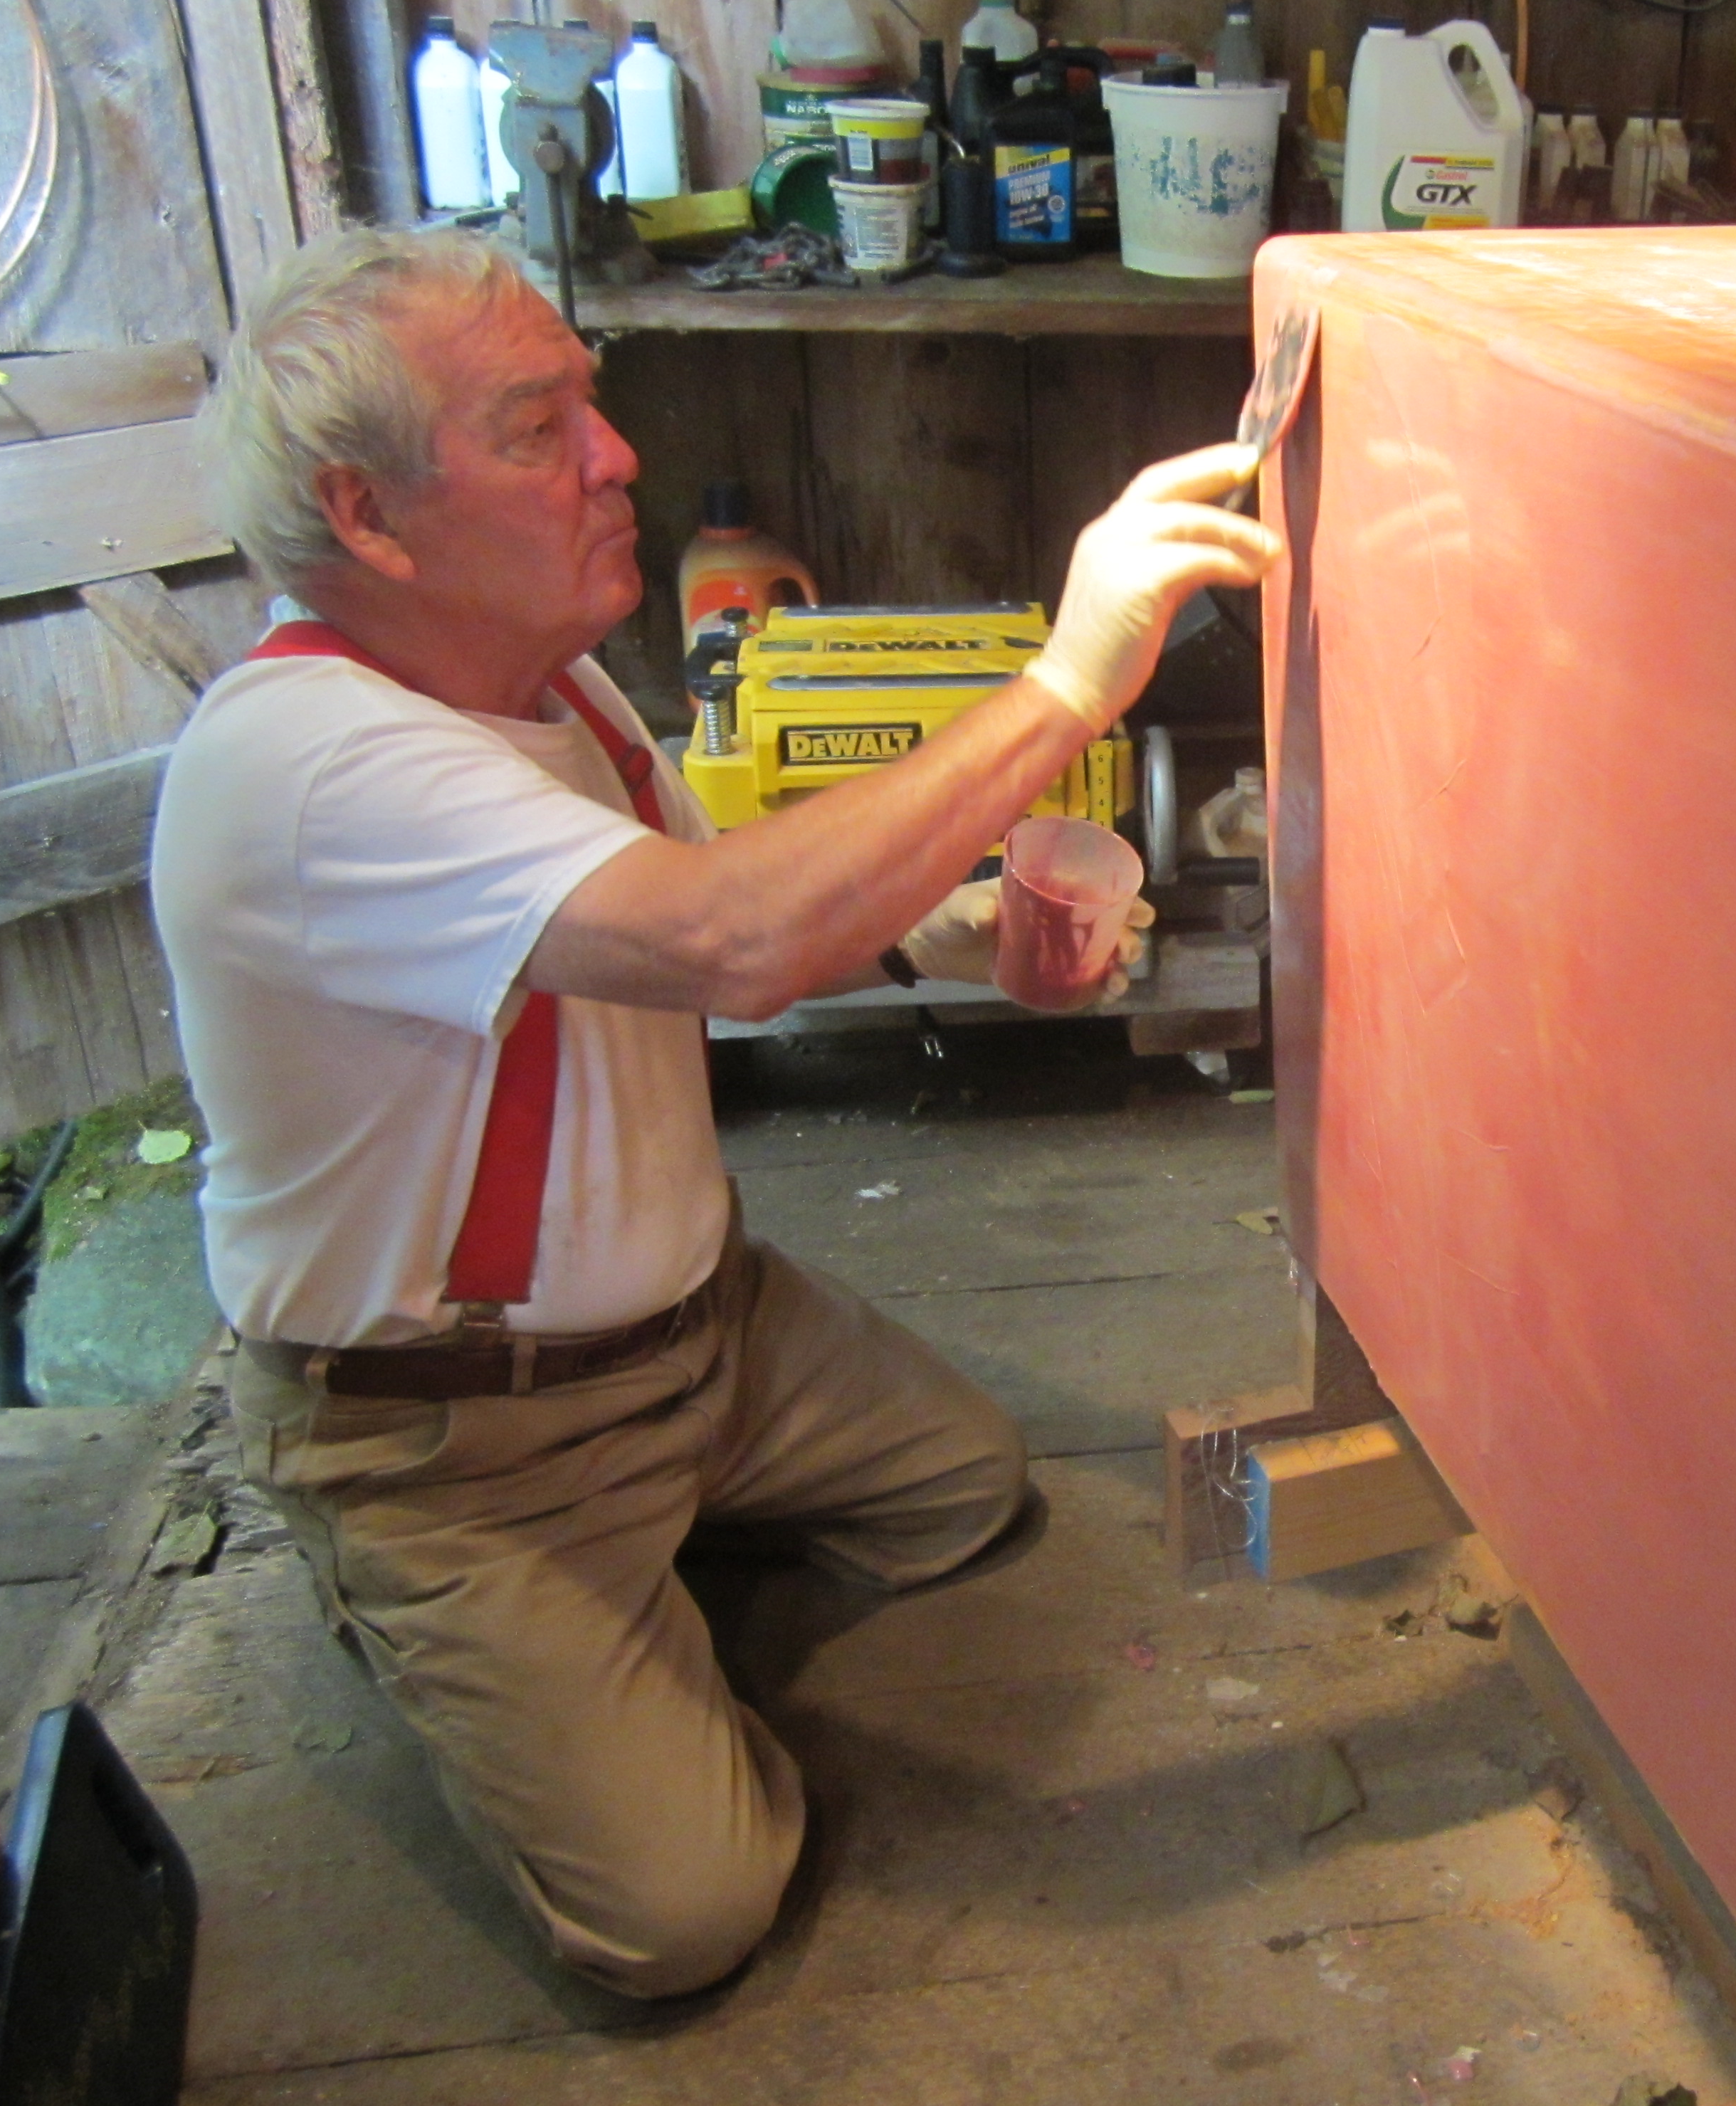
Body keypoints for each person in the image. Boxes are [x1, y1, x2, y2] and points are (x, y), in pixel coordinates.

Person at [150, 226, 1277, 1998]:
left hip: (709, 1335)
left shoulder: (557, 686)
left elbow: (703, 915)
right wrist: (1069, 681)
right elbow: (733, 941)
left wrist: (940, 930)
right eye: (537, 431)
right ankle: (441, 1601)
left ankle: (630, 1589)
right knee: (681, 1921)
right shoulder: (307, 767)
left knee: (965, 1493)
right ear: (368, 517)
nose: (618, 458)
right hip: (459, 1444)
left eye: (588, 405)